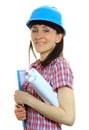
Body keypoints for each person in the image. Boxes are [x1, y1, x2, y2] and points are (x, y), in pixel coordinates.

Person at [14, 5, 75, 130]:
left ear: (59, 37)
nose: (38, 35)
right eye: (34, 30)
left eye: (46, 30)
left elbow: (69, 117)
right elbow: (35, 111)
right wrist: (22, 111)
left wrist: (29, 100)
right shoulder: (34, 68)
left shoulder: (60, 66)